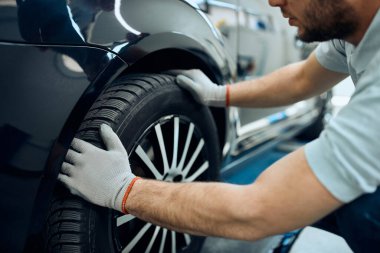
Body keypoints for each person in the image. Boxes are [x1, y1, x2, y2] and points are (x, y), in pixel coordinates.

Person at [58, 0, 380, 252]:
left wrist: (124, 189)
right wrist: (220, 94)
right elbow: (302, 79)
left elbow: (259, 208)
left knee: (354, 204)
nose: (272, 2)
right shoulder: (358, 32)